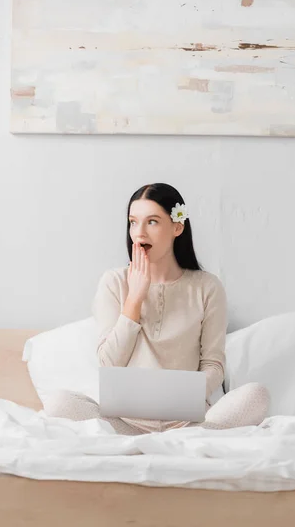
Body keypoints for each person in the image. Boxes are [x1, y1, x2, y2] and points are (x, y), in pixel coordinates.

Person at [44, 183, 270, 435]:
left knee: (256, 395)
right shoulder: (114, 282)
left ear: (177, 227)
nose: (139, 233)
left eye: (152, 222)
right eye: (133, 222)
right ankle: (166, 448)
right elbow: (108, 363)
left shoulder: (207, 286)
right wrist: (135, 299)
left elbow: (213, 365)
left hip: (190, 425)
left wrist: (182, 398)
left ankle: (171, 443)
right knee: (58, 403)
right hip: (125, 423)